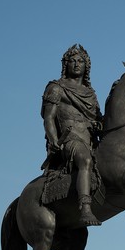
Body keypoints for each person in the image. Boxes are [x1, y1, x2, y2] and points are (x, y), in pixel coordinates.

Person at [41, 44, 103, 226]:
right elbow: (48, 118)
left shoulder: (90, 93)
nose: (76, 64)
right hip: (70, 139)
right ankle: (85, 208)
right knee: (85, 159)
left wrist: (100, 124)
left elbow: (98, 118)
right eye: (72, 61)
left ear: (86, 66)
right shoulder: (56, 88)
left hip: (90, 139)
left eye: (81, 61)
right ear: (65, 64)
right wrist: (53, 140)